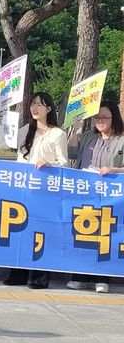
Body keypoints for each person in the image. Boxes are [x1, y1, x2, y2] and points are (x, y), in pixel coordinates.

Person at [3, 91, 68, 289]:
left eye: (40, 105)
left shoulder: (58, 134)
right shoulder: (25, 131)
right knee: (21, 231)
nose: (35, 108)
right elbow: (18, 158)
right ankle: (18, 273)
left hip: (45, 193)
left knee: (42, 233)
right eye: (32, 104)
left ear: (48, 109)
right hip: (24, 190)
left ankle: (40, 276)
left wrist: (49, 164)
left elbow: (64, 163)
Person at [65, 100, 124, 294]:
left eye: (104, 117)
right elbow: (72, 152)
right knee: (83, 231)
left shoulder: (121, 139)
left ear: (114, 118)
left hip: (110, 196)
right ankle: (80, 275)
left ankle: (102, 277)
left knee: (105, 234)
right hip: (86, 192)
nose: (100, 121)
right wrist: (76, 129)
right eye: (97, 117)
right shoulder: (90, 136)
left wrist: (114, 170)